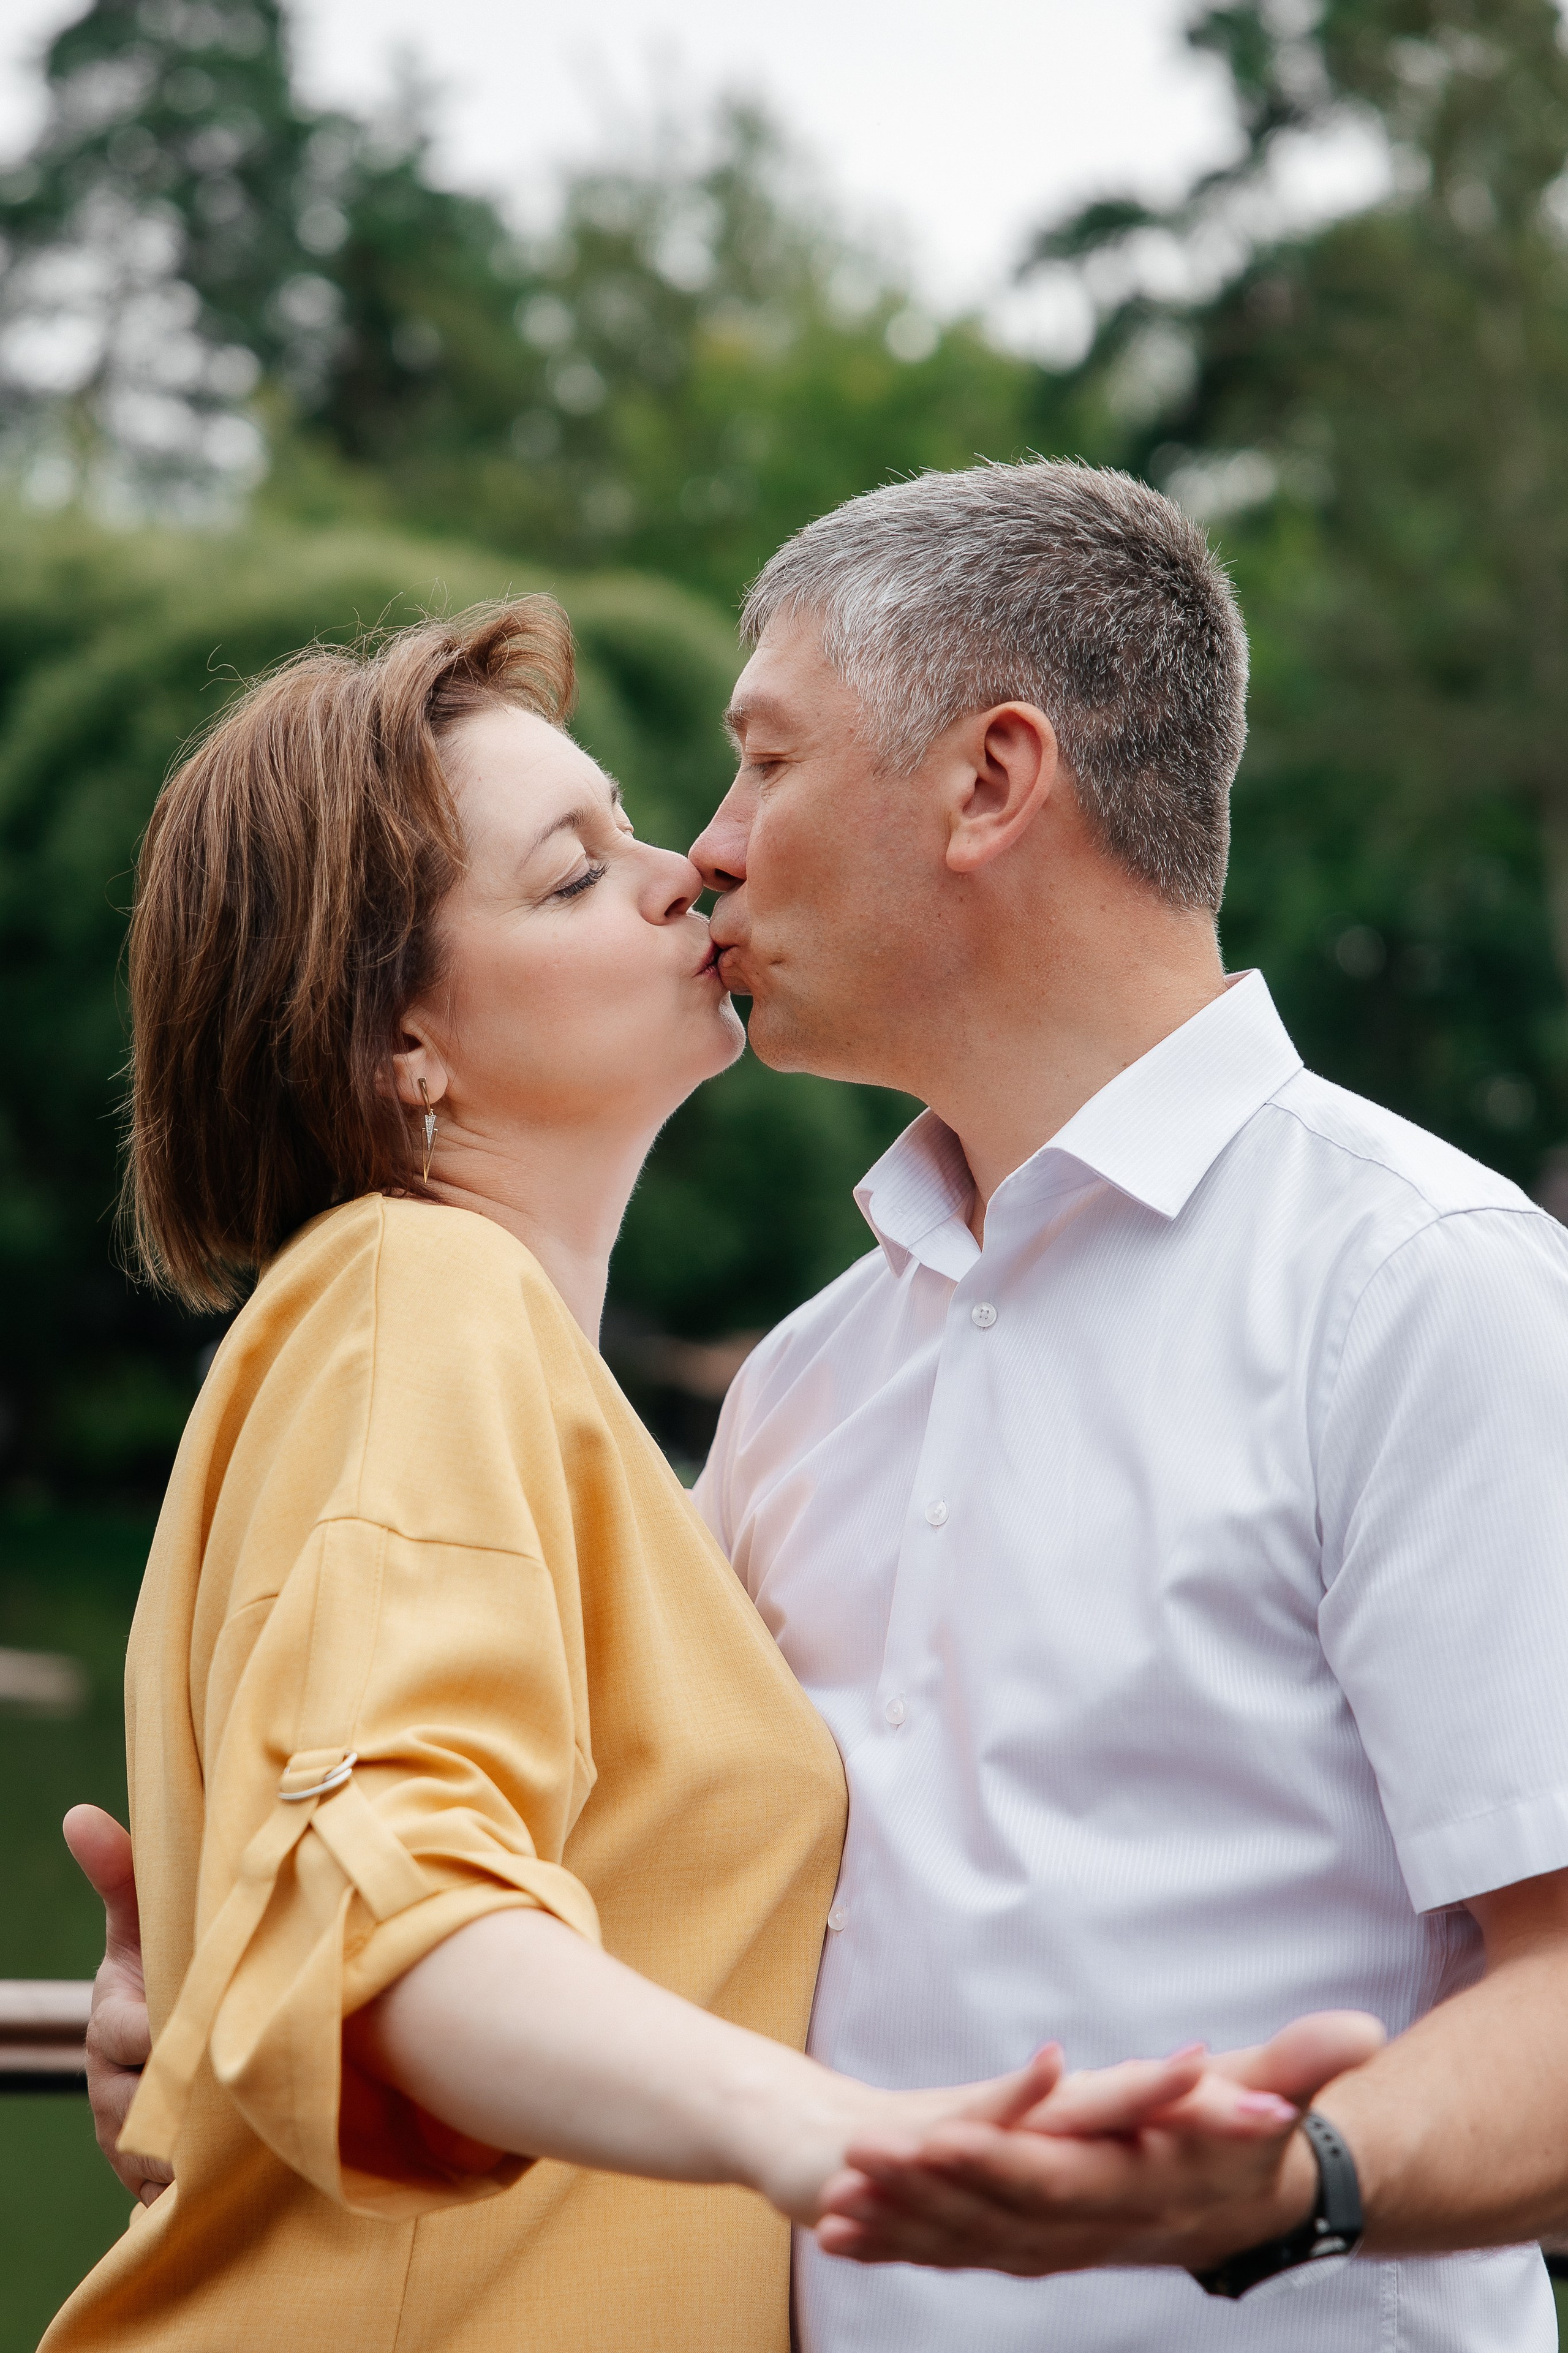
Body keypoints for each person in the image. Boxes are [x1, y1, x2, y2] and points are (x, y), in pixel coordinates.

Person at [80, 458, 1564, 2347]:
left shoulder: (1417, 1286)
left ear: (990, 782)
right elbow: (433, 1889)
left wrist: (1292, 2183)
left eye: (761, 763)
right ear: (404, 1043)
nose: (703, 854)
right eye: (583, 862)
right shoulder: (784, 1381)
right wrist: (240, 2032)